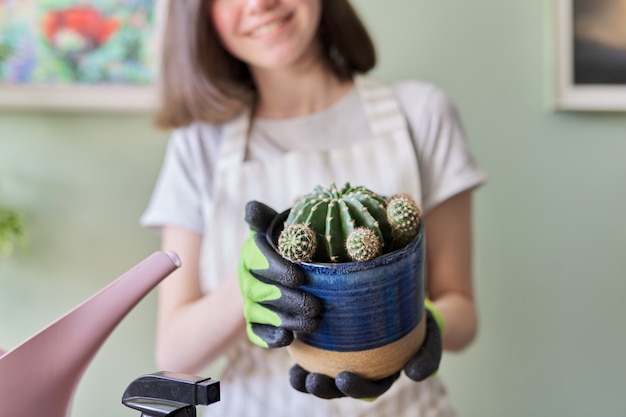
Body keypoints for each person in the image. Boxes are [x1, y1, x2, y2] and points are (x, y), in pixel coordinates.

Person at [140, 0, 486, 415]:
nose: (259, 4)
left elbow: (461, 309)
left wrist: (419, 329)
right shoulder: (198, 143)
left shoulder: (422, 114)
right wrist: (249, 285)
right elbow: (174, 352)